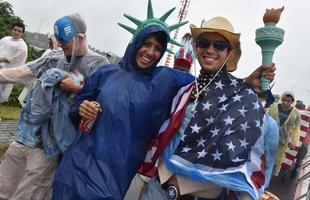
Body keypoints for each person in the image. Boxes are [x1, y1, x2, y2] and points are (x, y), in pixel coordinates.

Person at [53, 2, 276, 199]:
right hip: (78, 162)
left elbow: (216, 85)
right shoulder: (106, 73)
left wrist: (245, 82)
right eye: (146, 43)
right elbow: (76, 107)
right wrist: (81, 108)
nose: (150, 52)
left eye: (158, 48)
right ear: (135, 41)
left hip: (116, 174)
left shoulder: (165, 79)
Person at [138, 16, 279, 200]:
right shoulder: (184, 90)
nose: (210, 49)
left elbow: (255, 155)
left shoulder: (243, 99)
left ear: (229, 52)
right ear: (196, 49)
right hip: (157, 189)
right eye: (204, 43)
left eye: (219, 45)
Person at [0, 13, 108, 200]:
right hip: (28, 134)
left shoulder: (99, 64)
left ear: (79, 38)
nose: (62, 48)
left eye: (65, 44)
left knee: (30, 191)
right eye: (59, 42)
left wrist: (78, 88)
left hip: (52, 145)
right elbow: (21, 72)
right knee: (5, 182)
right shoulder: (54, 57)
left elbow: (104, 101)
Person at [268, 91, 301, 177]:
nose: (286, 102)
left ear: (292, 101)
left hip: (282, 141)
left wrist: (294, 142)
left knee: (276, 163)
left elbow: (296, 128)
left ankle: (267, 182)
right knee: (264, 158)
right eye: (284, 100)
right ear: (281, 99)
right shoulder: (274, 106)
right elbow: (265, 118)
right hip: (268, 138)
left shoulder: (296, 113)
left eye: (288, 101)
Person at [0, 22, 28, 103]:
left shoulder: (22, 46)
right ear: (12, 30)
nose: (16, 32)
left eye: (19, 31)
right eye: (15, 30)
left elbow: (16, 60)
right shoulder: (4, 39)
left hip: (6, 74)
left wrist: (2, 59)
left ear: (22, 33)